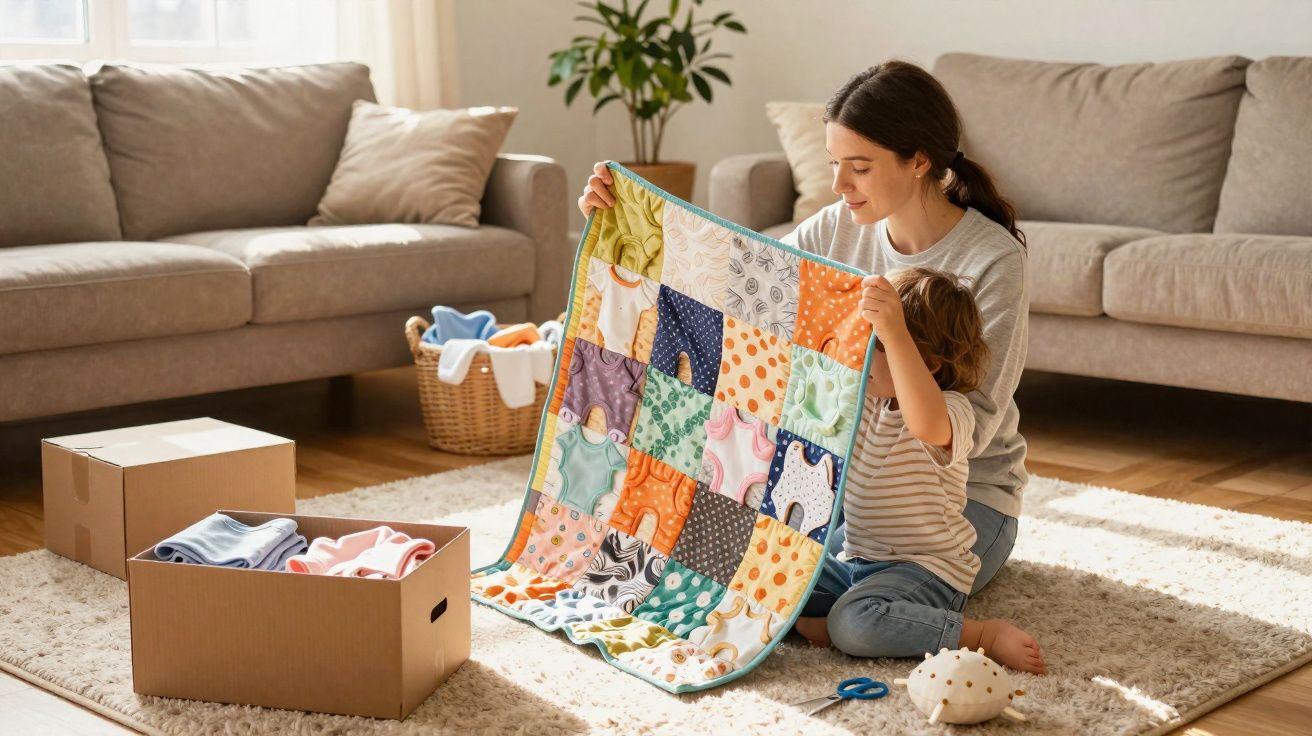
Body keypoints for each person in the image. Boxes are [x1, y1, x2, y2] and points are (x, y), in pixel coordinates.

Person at [579, 59, 1043, 674]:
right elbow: (735, 296)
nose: (839, 185)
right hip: (857, 479)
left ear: (920, 160)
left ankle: (915, 622)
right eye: (833, 165)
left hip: (962, 503)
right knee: (736, 567)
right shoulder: (836, 229)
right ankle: (830, 610)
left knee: (851, 608)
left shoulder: (993, 260)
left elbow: (973, 426)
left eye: (860, 167)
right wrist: (627, 229)